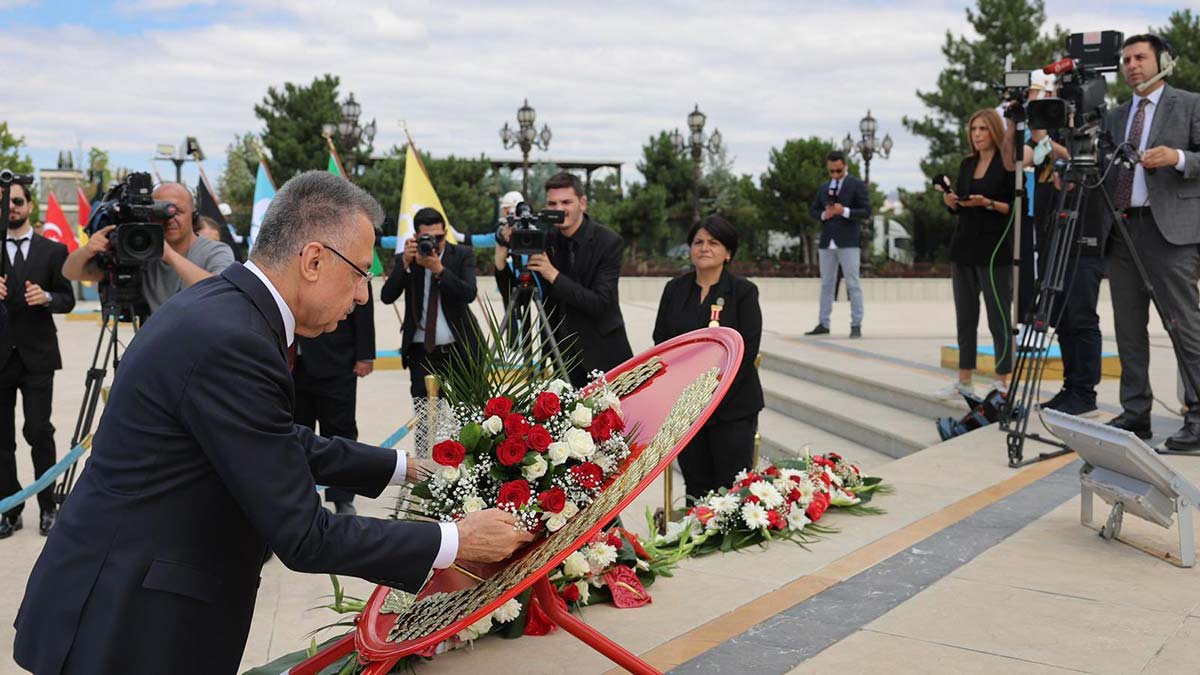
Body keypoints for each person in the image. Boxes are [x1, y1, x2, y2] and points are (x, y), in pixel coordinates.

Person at [13, 172, 533, 674]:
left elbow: (272, 439)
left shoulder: (226, 308)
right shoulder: (233, 338)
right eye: (359, 275)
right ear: (312, 259)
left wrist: (404, 467)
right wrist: (452, 541)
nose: (360, 297)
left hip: (127, 599)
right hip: (126, 621)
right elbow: (304, 534)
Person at [1101, 34, 1200, 449]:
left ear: (1163, 61)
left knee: (1184, 327)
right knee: (1128, 329)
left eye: (1140, 57)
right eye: (1126, 59)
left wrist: (1176, 158)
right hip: (1122, 230)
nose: (1131, 65)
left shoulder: (1190, 103)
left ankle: (1197, 416)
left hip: (1171, 234)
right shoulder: (1115, 115)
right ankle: (1135, 412)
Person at [653, 216, 763, 499]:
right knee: (696, 487)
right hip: (688, 406)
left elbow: (746, 351)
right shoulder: (674, 289)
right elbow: (662, 341)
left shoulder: (744, 293)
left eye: (713, 243)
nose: (704, 248)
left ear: (728, 253)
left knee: (731, 490)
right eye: (698, 242)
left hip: (732, 407)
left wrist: (713, 393)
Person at [496, 172, 633, 388]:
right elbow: (518, 298)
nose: (559, 209)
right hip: (559, 355)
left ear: (583, 203)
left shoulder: (608, 242)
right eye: (552, 203)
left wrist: (553, 275)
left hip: (602, 354)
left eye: (566, 202)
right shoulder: (545, 239)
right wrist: (502, 253)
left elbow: (600, 303)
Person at [0, 183, 75, 538]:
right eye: (4, 202)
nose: (10, 207)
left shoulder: (53, 250)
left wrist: (46, 296)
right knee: (1, 439)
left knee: (38, 430)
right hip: (0, 357)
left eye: (16, 201)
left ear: (29, 205)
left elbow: (67, 299)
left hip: (38, 355)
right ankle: (10, 509)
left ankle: (48, 506)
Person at [938, 108, 1017, 399]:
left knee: (998, 320)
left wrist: (989, 203)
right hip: (964, 249)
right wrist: (952, 201)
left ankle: (1002, 381)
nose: (978, 135)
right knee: (965, 318)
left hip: (994, 251)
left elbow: (1015, 208)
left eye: (983, 129)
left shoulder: (1007, 165)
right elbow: (959, 203)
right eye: (974, 130)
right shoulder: (967, 164)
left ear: (994, 131)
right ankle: (965, 380)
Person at [62, 182, 235, 313]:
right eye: (160, 213)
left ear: (194, 216)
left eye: (178, 212)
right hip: (158, 347)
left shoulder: (215, 251)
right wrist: (87, 250)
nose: (170, 220)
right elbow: (70, 272)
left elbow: (221, 292)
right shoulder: (140, 252)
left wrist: (168, 255)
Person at [380, 207, 481, 400]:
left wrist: (440, 270)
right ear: (416, 236)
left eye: (439, 237)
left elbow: (469, 293)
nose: (434, 244)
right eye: (427, 238)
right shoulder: (407, 257)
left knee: (466, 415)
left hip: (458, 349)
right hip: (421, 352)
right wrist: (404, 264)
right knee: (425, 416)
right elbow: (387, 296)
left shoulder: (462, 254)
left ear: (445, 233)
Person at [293, 286, 375, 516]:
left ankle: (343, 498)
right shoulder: (285, 252)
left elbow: (362, 306)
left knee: (340, 432)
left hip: (335, 361)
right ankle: (301, 498)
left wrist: (365, 354)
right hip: (289, 365)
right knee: (294, 435)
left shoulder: (343, 252)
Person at [805, 150, 871, 338]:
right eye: (831, 171)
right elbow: (814, 211)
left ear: (845, 166)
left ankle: (856, 323)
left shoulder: (856, 185)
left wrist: (845, 211)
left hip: (848, 240)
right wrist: (825, 214)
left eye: (838, 171)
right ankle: (823, 323)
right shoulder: (824, 187)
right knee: (826, 283)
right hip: (827, 241)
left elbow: (866, 210)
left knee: (853, 283)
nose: (835, 174)